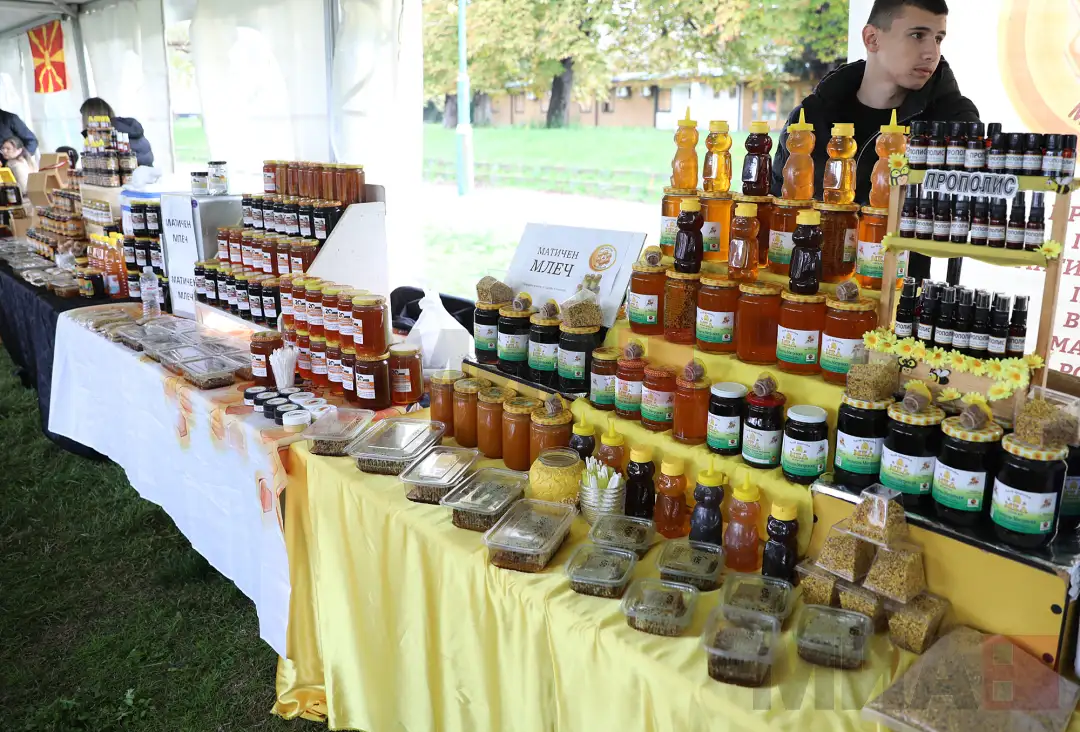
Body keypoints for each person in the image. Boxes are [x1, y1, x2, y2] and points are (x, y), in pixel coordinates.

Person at [770, 0, 979, 280]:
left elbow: (968, 217)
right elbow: (775, 207)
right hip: (808, 288)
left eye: (938, 38)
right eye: (917, 35)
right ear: (872, 39)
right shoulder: (812, 116)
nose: (932, 53)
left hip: (896, 295)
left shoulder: (952, 122)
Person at [79, 97, 154, 167]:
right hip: (146, 174)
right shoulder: (126, 129)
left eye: (82, 118)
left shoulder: (108, 138)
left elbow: (108, 170)